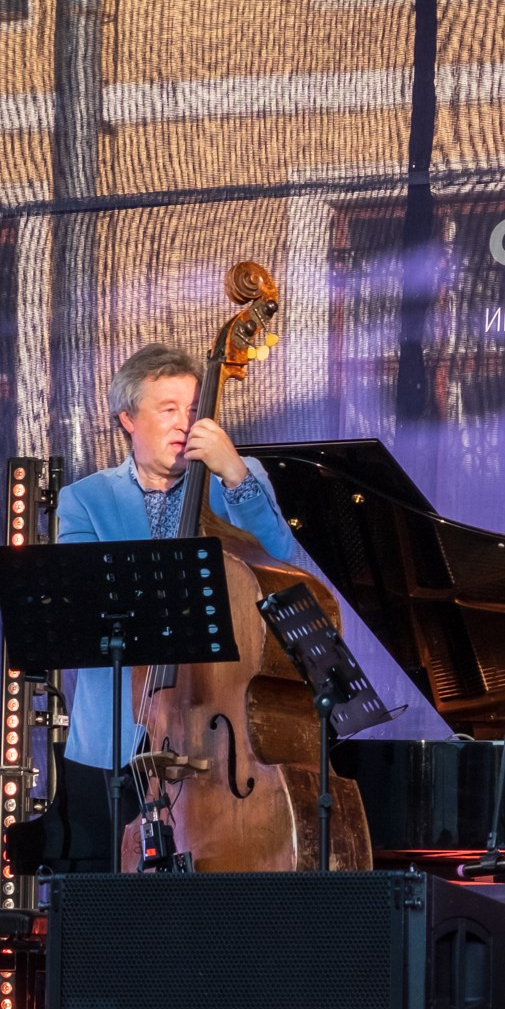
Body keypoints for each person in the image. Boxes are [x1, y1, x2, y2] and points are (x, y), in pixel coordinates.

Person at [46, 343, 304, 858]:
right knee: (106, 900)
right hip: (115, 741)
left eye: (192, 409)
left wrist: (234, 475)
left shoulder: (235, 479)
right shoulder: (85, 499)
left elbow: (283, 565)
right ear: (127, 420)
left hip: (215, 731)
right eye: (167, 410)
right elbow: (80, 602)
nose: (184, 423)